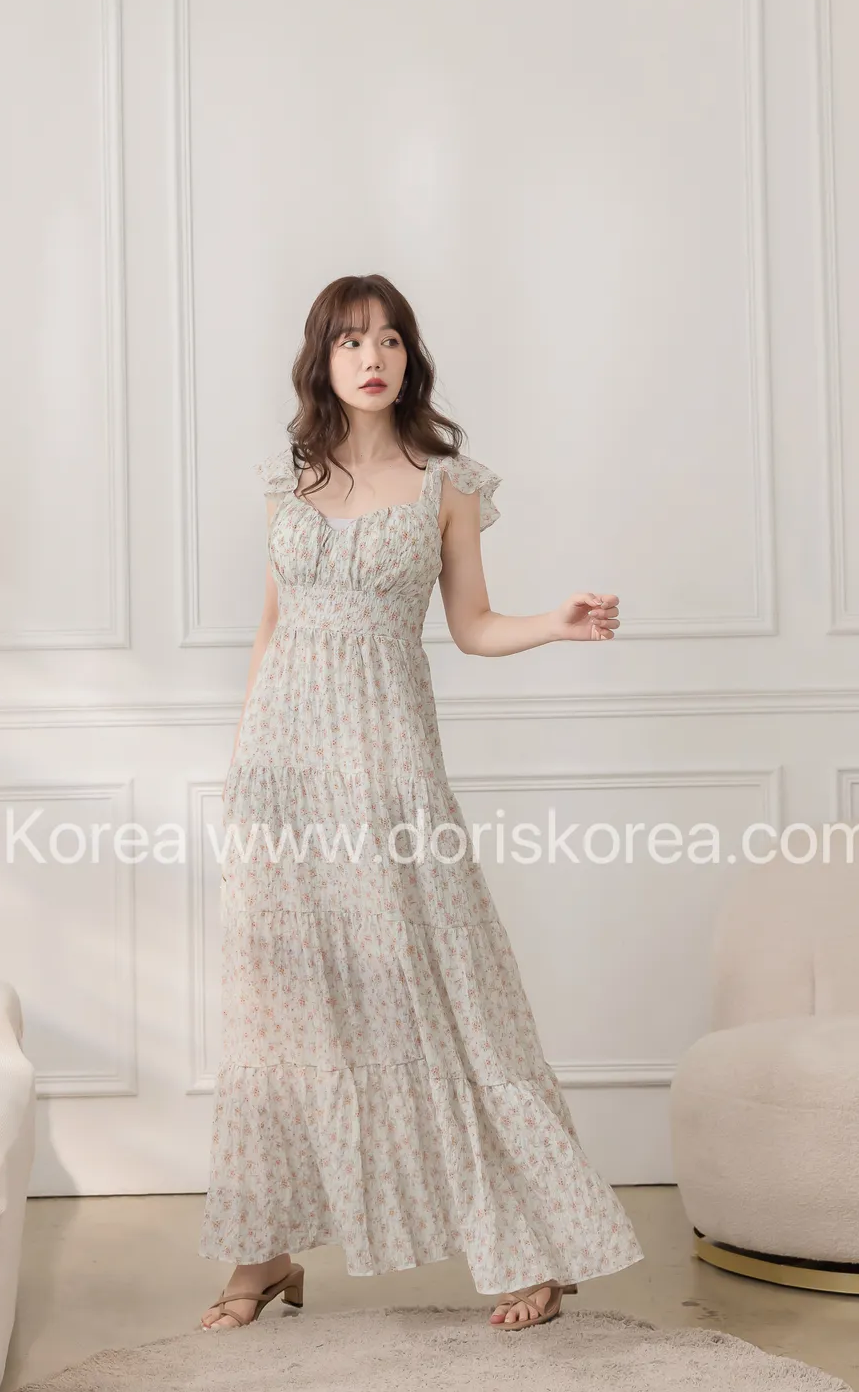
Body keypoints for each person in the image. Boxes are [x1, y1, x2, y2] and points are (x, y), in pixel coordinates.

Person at [199, 273, 644, 1333]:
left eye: (391, 338)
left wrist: (556, 622)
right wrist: (245, 773)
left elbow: (473, 624)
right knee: (281, 1001)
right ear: (323, 359)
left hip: (390, 768)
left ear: (410, 358)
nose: (374, 356)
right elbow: (271, 630)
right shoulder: (288, 481)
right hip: (282, 771)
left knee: (444, 992)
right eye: (352, 340)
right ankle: (264, 1250)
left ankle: (530, 1239)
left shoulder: (448, 484)